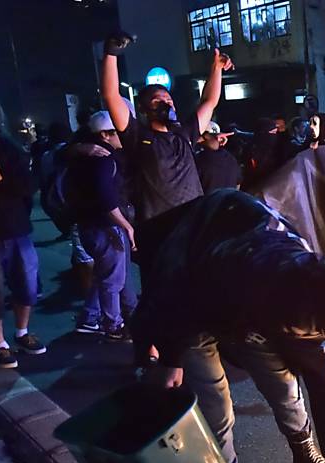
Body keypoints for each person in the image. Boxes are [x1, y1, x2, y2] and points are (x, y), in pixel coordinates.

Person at [134, 190, 325, 463]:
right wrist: (167, 354)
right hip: (199, 285)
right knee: (214, 403)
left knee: (286, 390)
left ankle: (305, 457)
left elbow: (323, 386)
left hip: (250, 315)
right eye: (316, 328)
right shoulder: (254, 270)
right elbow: (174, 290)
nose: (320, 336)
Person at [99, 31, 233, 223]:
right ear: (143, 110)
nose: (166, 105)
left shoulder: (185, 134)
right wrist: (111, 53)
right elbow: (111, 94)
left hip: (194, 223)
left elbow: (209, 101)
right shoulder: (137, 136)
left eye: (169, 100)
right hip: (159, 229)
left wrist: (217, 68)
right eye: (157, 101)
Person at [0, 96, 46, 367]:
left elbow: (28, 187)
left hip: (17, 230)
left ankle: (22, 332)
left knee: (27, 285)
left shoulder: (9, 148)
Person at [64, 111, 137, 340]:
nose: (123, 135)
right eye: (118, 131)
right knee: (112, 280)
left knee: (106, 274)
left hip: (89, 225)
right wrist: (126, 225)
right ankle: (113, 325)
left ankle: (90, 317)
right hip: (105, 226)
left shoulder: (82, 157)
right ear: (106, 134)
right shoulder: (104, 158)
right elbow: (106, 197)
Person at [194, 121, 241, 194]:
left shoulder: (199, 159)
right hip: (225, 204)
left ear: (205, 136)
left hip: (204, 204)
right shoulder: (232, 159)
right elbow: (237, 185)